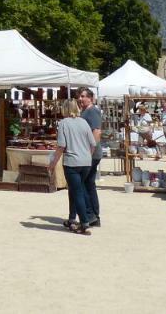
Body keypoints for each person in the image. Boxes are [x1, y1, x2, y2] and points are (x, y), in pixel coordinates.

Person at [48, 99, 95, 235]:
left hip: (72, 162)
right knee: (75, 190)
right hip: (85, 162)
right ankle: (72, 218)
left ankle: (84, 223)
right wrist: (87, 156)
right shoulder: (84, 122)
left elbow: (61, 146)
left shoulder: (64, 123)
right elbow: (93, 143)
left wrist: (52, 164)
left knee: (77, 191)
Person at [76, 88, 104, 228]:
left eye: (83, 96)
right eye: (79, 96)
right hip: (89, 153)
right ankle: (94, 216)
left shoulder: (92, 111)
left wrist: (89, 153)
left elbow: (97, 132)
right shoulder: (85, 111)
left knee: (83, 184)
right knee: (89, 184)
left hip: (91, 154)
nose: (80, 99)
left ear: (90, 98)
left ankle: (90, 215)